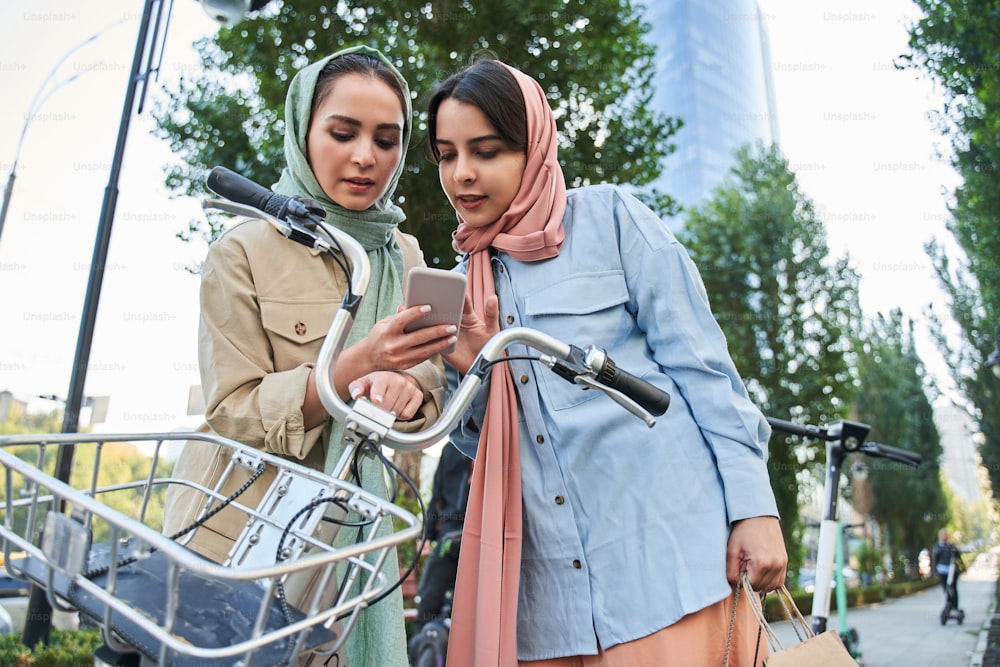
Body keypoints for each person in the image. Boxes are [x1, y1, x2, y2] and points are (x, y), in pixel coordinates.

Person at [427, 57, 788, 666]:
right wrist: (469, 369)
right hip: (547, 604)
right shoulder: (460, 288)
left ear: (532, 144)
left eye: (485, 151)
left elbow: (703, 368)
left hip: (666, 568)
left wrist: (755, 508)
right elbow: (478, 446)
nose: (462, 174)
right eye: (445, 154)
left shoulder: (611, 220)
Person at [163, 46, 455, 667]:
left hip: (346, 554)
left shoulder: (403, 255)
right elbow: (233, 411)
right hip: (232, 540)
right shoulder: (242, 248)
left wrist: (409, 397)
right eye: (342, 132)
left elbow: (422, 392)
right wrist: (351, 370)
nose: (365, 157)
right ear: (303, 130)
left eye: (386, 139)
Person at [413, 441, 473, 630]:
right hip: (449, 533)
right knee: (430, 595)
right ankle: (424, 648)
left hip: (479, 535)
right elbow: (437, 495)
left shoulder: (494, 442)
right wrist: (427, 535)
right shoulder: (451, 448)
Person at [931, 529, 964, 615]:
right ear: (940, 536)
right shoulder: (937, 547)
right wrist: (934, 571)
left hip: (952, 570)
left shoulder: (951, 546)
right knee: (946, 589)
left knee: (953, 589)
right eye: (943, 535)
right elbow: (934, 560)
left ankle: (955, 607)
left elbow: (958, 557)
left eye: (946, 535)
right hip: (942, 571)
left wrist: (962, 567)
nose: (945, 536)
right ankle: (948, 606)